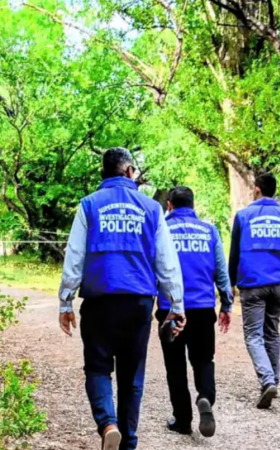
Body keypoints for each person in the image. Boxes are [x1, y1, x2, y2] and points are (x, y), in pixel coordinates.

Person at [58, 147, 185, 450]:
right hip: (138, 301)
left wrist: (66, 301)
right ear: (129, 172)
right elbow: (167, 261)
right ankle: (128, 443)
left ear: (104, 172)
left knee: (98, 367)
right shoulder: (152, 209)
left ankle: (108, 424)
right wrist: (176, 305)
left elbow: (74, 255)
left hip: (100, 300)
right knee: (132, 376)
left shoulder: (89, 205)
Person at [229, 173, 280, 409]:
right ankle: (273, 379)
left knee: (253, 335)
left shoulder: (243, 216)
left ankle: (267, 380)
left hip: (252, 284)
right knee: (272, 332)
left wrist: (230, 284)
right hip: (279, 285)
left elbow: (234, 253)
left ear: (257, 190)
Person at [156, 187, 233, 438]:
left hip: (171, 310)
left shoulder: (161, 230)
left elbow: (152, 267)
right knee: (203, 359)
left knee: (175, 365)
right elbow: (221, 270)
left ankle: (182, 419)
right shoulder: (209, 230)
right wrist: (226, 304)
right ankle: (205, 397)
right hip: (202, 307)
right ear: (193, 205)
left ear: (169, 205)